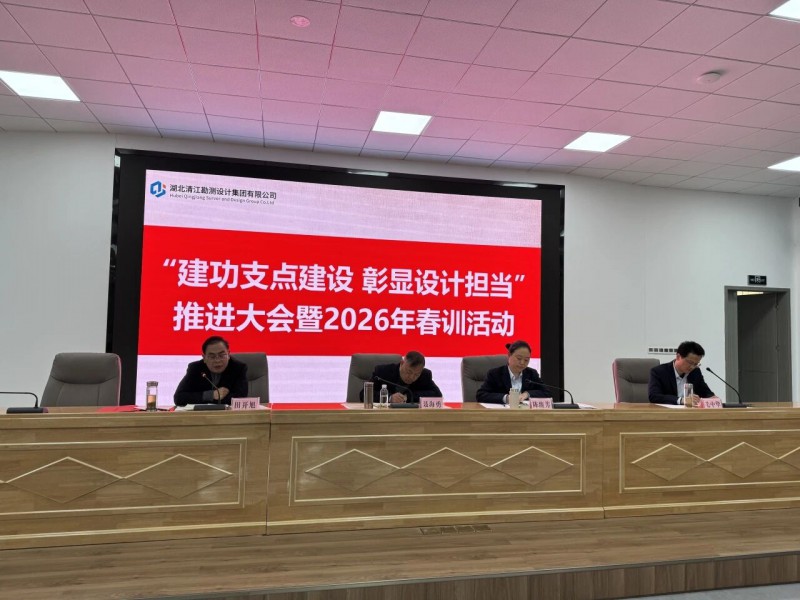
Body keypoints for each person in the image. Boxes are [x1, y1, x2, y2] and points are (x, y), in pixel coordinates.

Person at [174, 336, 248, 406]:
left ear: (228, 355)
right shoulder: (195, 368)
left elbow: (240, 399)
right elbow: (179, 398)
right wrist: (211, 395)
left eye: (222, 355)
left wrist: (203, 398)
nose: (217, 360)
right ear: (204, 358)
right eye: (212, 357)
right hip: (202, 414)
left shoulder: (238, 368)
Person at [476, 340, 550, 404]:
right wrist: (506, 398)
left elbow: (546, 392)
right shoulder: (495, 374)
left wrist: (527, 394)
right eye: (519, 358)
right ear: (509, 355)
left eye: (526, 360)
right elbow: (481, 395)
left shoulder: (532, 374)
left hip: (526, 413)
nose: (522, 363)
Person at [361, 351, 442, 404]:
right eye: (409, 372)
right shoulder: (382, 372)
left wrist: (407, 397)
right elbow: (363, 394)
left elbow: (437, 395)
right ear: (402, 363)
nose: (412, 377)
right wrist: (389, 398)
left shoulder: (425, 375)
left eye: (416, 375)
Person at [648, 341, 714, 405]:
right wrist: (681, 400)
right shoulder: (659, 372)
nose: (692, 367)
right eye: (690, 362)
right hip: (667, 411)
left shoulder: (695, 372)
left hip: (689, 411)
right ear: (678, 357)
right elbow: (654, 396)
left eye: (696, 364)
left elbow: (705, 392)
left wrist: (713, 398)